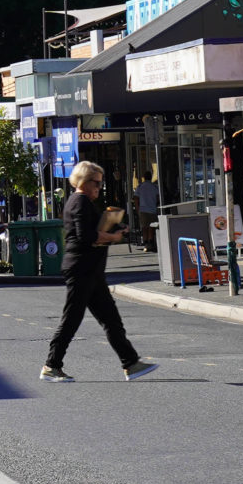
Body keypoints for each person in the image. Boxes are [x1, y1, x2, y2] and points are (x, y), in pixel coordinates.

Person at [42, 159, 157, 383]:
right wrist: (113, 237)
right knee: (71, 320)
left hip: (91, 270)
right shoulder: (80, 202)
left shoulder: (83, 202)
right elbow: (87, 236)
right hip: (81, 269)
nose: (99, 186)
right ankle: (51, 365)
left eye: (101, 182)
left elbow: (93, 230)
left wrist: (114, 227)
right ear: (83, 181)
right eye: (96, 182)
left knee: (111, 320)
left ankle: (131, 363)